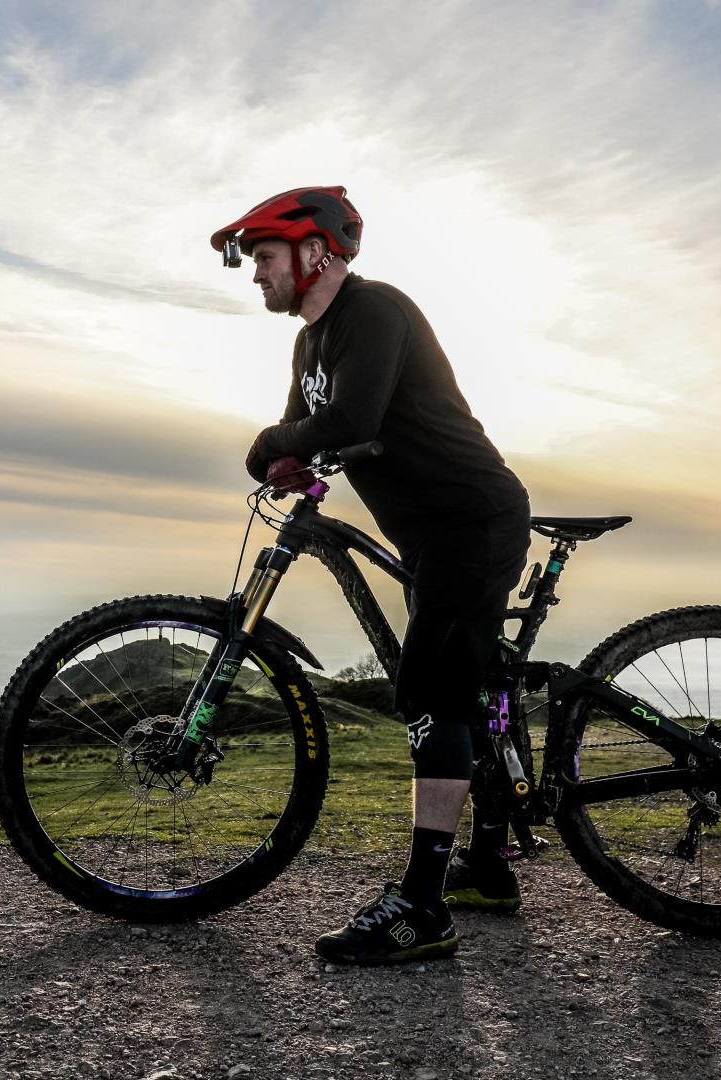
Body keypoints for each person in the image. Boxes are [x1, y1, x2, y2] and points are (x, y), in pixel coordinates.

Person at [211, 186, 533, 965]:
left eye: (263, 256)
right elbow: (315, 431)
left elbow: (349, 421)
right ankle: (486, 867)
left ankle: (422, 908)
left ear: (314, 251)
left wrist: (268, 443)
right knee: (470, 683)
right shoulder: (308, 346)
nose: (256, 274)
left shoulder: (376, 311)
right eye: (252, 261)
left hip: (472, 521)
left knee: (429, 686)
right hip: (430, 537)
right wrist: (290, 457)